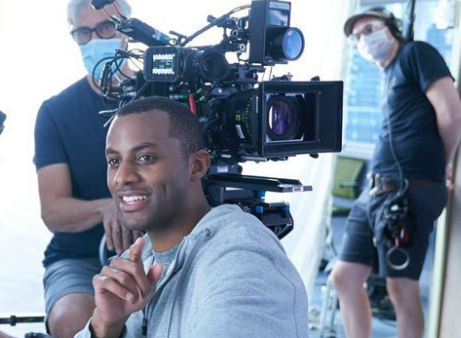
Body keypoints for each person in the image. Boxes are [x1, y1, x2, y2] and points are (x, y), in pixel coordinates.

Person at [77, 97, 308, 337]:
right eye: (114, 161)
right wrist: (104, 325)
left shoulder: (242, 257)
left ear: (197, 165)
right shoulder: (139, 258)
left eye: (146, 157)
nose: (121, 177)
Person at [330, 7, 461, 338]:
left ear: (391, 28)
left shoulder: (415, 54)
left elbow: (452, 114)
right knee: (343, 277)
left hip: (411, 188)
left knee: (401, 289)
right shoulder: (387, 75)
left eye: (370, 29)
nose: (364, 38)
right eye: (357, 36)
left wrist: (442, 164)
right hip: (376, 190)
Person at [33, 1, 138, 336]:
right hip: (80, 259)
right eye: (83, 32)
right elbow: (53, 211)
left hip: (162, 249)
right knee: (71, 320)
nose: (95, 39)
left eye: (106, 28)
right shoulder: (55, 112)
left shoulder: (169, 96)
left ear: (127, 30)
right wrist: (108, 208)